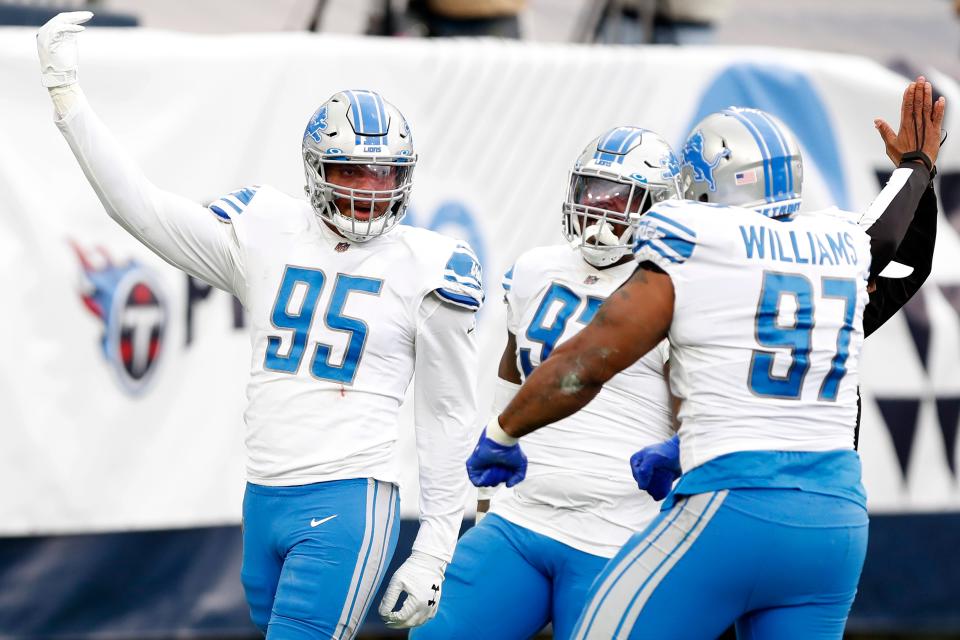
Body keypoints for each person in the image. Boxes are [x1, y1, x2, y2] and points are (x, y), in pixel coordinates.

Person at [37, 12, 484, 638]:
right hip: (264, 494)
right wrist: (67, 97)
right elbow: (141, 208)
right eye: (350, 171)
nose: (368, 190)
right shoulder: (268, 229)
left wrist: (436, 547)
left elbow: (448, 416)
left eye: (383, 173)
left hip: (349, 500)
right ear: (313, 170)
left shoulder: (429, 267)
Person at [466, 78, 943, 639]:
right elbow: (897, 251)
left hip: (732, 502)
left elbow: (589, 362)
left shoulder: (695, 243)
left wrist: (502, 432)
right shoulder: (836, 245)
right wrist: (917, 170)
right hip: (832, 517)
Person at [412, 127, 681, 640]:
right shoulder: (535, 269)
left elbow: (699, 409)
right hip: (522, 518)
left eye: (623, 200)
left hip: (620, 528)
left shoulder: (676, 287)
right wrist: (490, 498)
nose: (602, 214)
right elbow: (513, 372)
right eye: (592, 194)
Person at [632, 91, 942, 489]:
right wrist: (918, 171)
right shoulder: (829, 263)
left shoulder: (701, 266)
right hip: (832, 500)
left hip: (736, 496)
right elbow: (906, 262)